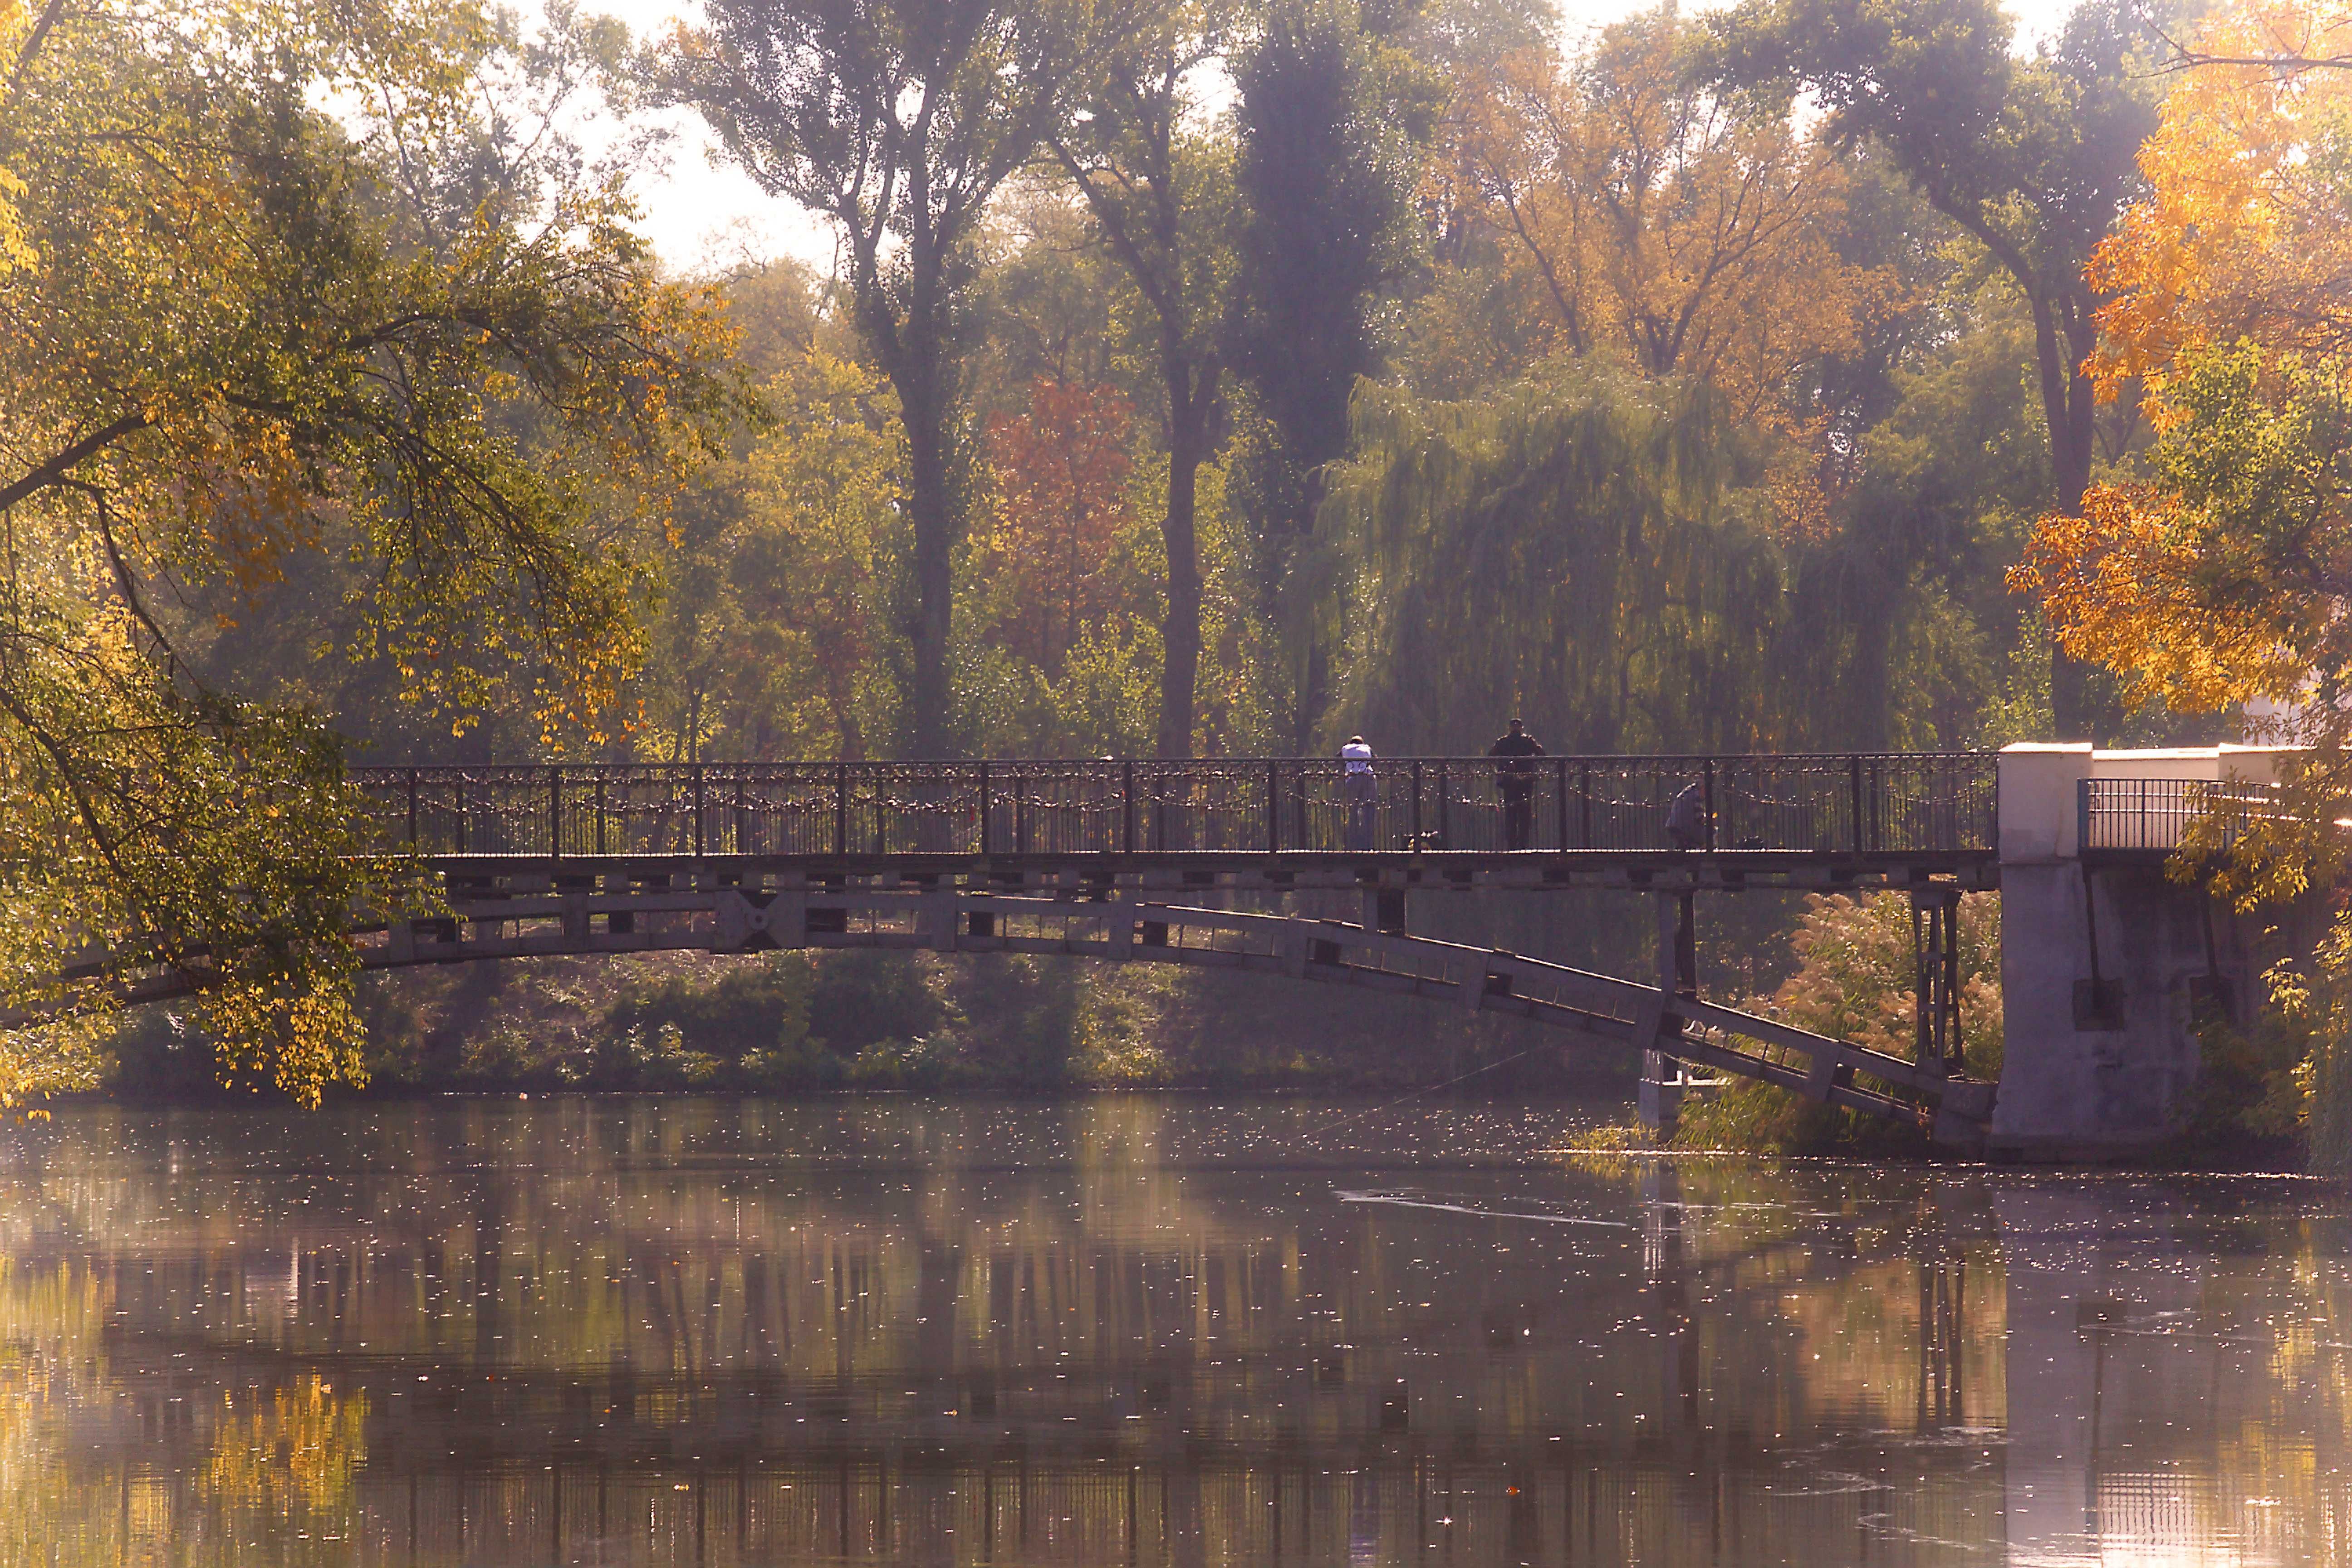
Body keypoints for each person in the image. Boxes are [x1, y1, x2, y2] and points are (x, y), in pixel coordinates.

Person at [1487, 718, 1544, 850]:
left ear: (1509, 728)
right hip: (1526, 782)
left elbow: (1490, 756)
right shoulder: (1528, 741)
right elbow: (1542, 754)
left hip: (1510, 783)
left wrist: (1502, 765)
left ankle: (1512, 845)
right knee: (1525, 813)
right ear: (1521, 728)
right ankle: (1524, 844)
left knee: (1510, 813)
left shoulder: (1503, 742)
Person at [1341, 735, 1377, 851]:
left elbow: (1336, 760)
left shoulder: (1345, 749)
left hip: (1353, 781)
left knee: (1353, 811)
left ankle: (1353, 845)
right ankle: (1368, 846)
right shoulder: (1367, 748)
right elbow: (1376, 760)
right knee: (1369, 811)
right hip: (1369, 779)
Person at [1666, 779, 1707, 851]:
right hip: (1684, 828)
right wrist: (1710, 818)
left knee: (1683, 848)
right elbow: (1699, 819)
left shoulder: (1688, 791)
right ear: (1703, 788)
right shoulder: (1696, 796)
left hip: (1673, 825)